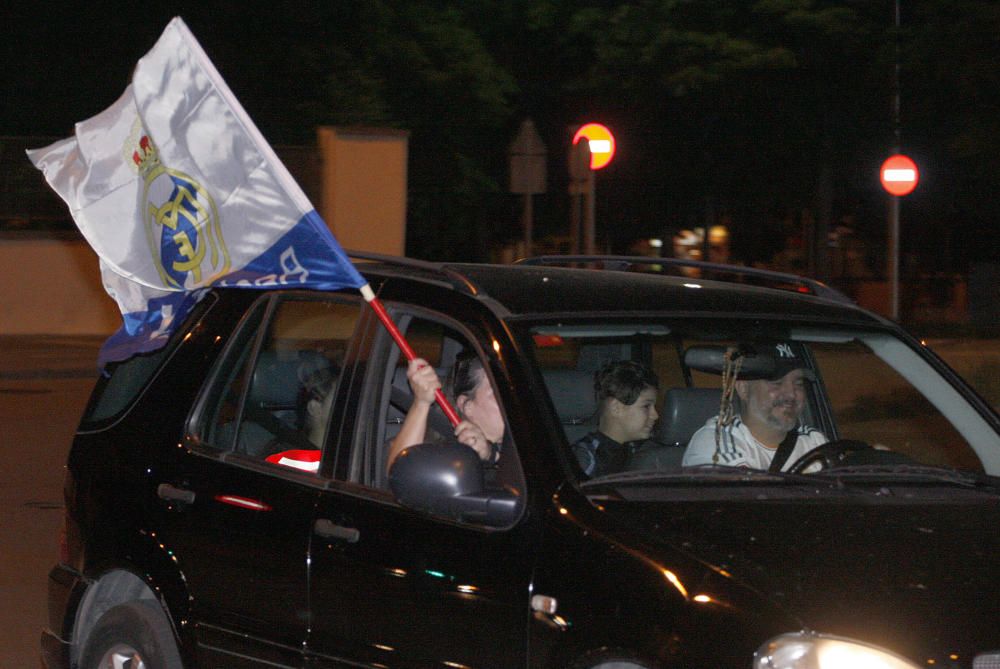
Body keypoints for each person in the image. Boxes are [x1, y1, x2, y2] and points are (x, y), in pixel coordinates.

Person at [682, 342, 827, 471]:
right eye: (776, 382)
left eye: (799, 384)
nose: (791, 394)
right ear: (744, 389)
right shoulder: (717, 443)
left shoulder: (814, 442)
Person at [387, 351, 507, 477]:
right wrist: (421, 402)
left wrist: (492, 455)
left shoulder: (522, 448)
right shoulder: (445, 456)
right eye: (498, 394)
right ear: (467, 406)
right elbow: (400, 475)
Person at [572, 360, 660, 478]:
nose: (655, 415)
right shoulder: (586, 457)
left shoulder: (644, 451)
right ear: (616, 408)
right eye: (646, 406)